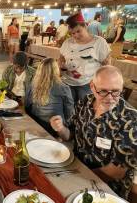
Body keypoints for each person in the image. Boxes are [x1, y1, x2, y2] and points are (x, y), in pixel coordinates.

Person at [50, 65, 137, 200]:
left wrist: (77, 178)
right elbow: (69, 135)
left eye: (115, 91)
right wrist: (60, 128)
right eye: (103, 91)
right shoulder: (85, 101)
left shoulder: (131, 120)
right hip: (75, 169)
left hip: (106, 190)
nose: (109, 98)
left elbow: (116, 171)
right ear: (92, 86)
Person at [59, 12, 110, 102]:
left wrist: (101, 83)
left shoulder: (99, 42)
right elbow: (61, 58)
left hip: (87, 85)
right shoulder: (67, 42)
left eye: (78, 31)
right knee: (69, 111)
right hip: (67, 83)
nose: (76, 36)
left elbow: (107, 65)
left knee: (85, 111)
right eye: (72, 33)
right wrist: (61, 66)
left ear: (85, 26)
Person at [25, 58, 73, 137]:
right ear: (56, 70)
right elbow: (69, 112)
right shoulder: (63, 87)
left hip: (36, 122)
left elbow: (27, 105)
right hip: (54, 126)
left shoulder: (32, 84)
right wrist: (65, 126)